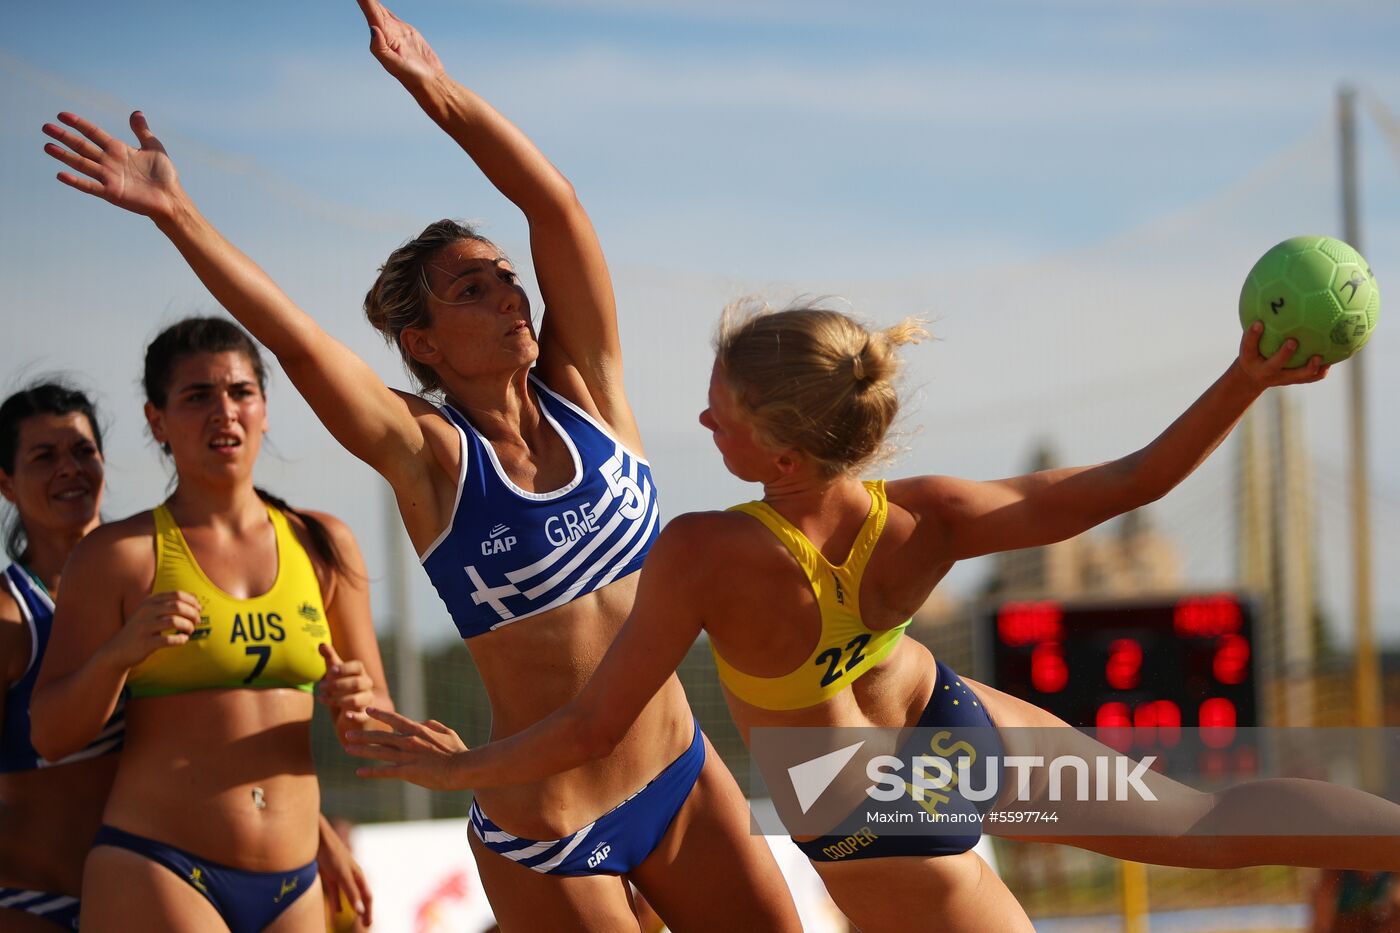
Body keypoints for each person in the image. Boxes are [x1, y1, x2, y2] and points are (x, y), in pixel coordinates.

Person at [38, 3, 802, 929]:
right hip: (547, 828)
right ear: (424, 343)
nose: (510, 294)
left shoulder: (591, 389)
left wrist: (435, 88)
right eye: (471, 290)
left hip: (679, 778)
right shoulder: (432, 457)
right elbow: (298, 339)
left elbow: (555, 203)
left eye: (506, 276)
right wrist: (178, 213)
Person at [341, 301, 1400, 933]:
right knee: (1197, 823)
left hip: (861, 804)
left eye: (720, 407)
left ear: (781, 453)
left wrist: (449, 771)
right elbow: (1130, 483)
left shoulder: (707, 552)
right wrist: (1245, 374)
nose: (701, 416)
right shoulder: (924, 515)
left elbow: (586, 732)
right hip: (941, 726)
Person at [29, 319, 391, 932]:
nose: (224, 411)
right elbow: (50, 735)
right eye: (197, 396)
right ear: (157, 421)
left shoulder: (325, 543)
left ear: (265, 410)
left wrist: (361, 706)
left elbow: (380, 719)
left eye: (240, 392)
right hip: (159, 865)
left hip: (294, 878)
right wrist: (119, 655)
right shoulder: (120, 554)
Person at [1313, 871, 1400, 933]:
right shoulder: (1337, 870)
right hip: (1343, 923)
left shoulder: (1389, 869)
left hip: (1375, 921)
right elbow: (1322, 915)